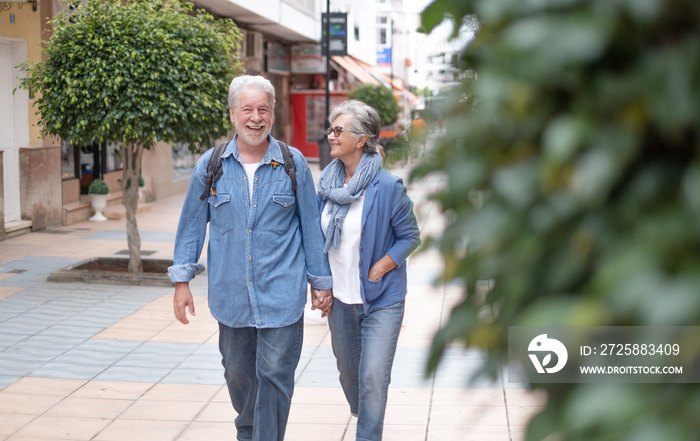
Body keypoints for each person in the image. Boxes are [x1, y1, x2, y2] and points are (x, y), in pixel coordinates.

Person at [168, 75, 333, 441]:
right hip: (231, 296)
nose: (255, 118)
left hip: (281, 294)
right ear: (232, 114)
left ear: (272, 114)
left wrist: (321, 284)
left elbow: (310, 226)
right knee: (237, 373)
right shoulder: (210, 166)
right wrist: (182, 282)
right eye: (247, 109)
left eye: (263, 109)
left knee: (275, 375)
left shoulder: (293, 165)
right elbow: (192, 227)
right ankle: (249, 432)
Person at [315, 100, 421, 441]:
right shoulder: (327, 185)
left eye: (338, 130)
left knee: (373, 377)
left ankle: (367, 432)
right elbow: (317, 239)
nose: (330, 136)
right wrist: (319, 285)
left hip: (381, 298)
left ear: (361, 140)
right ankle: (366, 411)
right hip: (341, 299)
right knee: (350, 374)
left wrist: (381, 266)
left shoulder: (388, 186)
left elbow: (410, 237)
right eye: (330, 130)